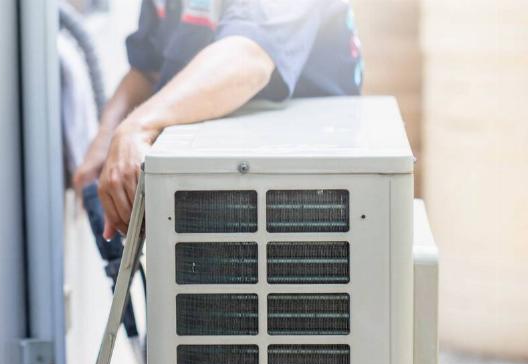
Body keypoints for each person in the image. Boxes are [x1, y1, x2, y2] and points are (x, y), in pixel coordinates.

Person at [73, 0, 363, 239]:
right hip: (214, 197)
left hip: (303, 199)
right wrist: (106, 138)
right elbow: (147, 70)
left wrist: (137, 126)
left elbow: (248, 58)